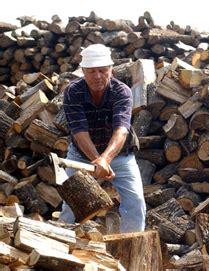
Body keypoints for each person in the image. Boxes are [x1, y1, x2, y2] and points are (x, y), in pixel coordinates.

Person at [59, 44, 146, 232]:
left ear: (111, 69)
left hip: (120, 155)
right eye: (91, 71)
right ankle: (62, 246)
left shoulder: (122, 92)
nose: (97, 76)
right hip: (81, 155)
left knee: (136, 202)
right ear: (83, 71)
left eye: (102, 70)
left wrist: (105, 159)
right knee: (70, 205)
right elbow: (79, 132)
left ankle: (131, 249)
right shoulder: (73, 92)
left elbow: (121, 130)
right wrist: (97, 160)